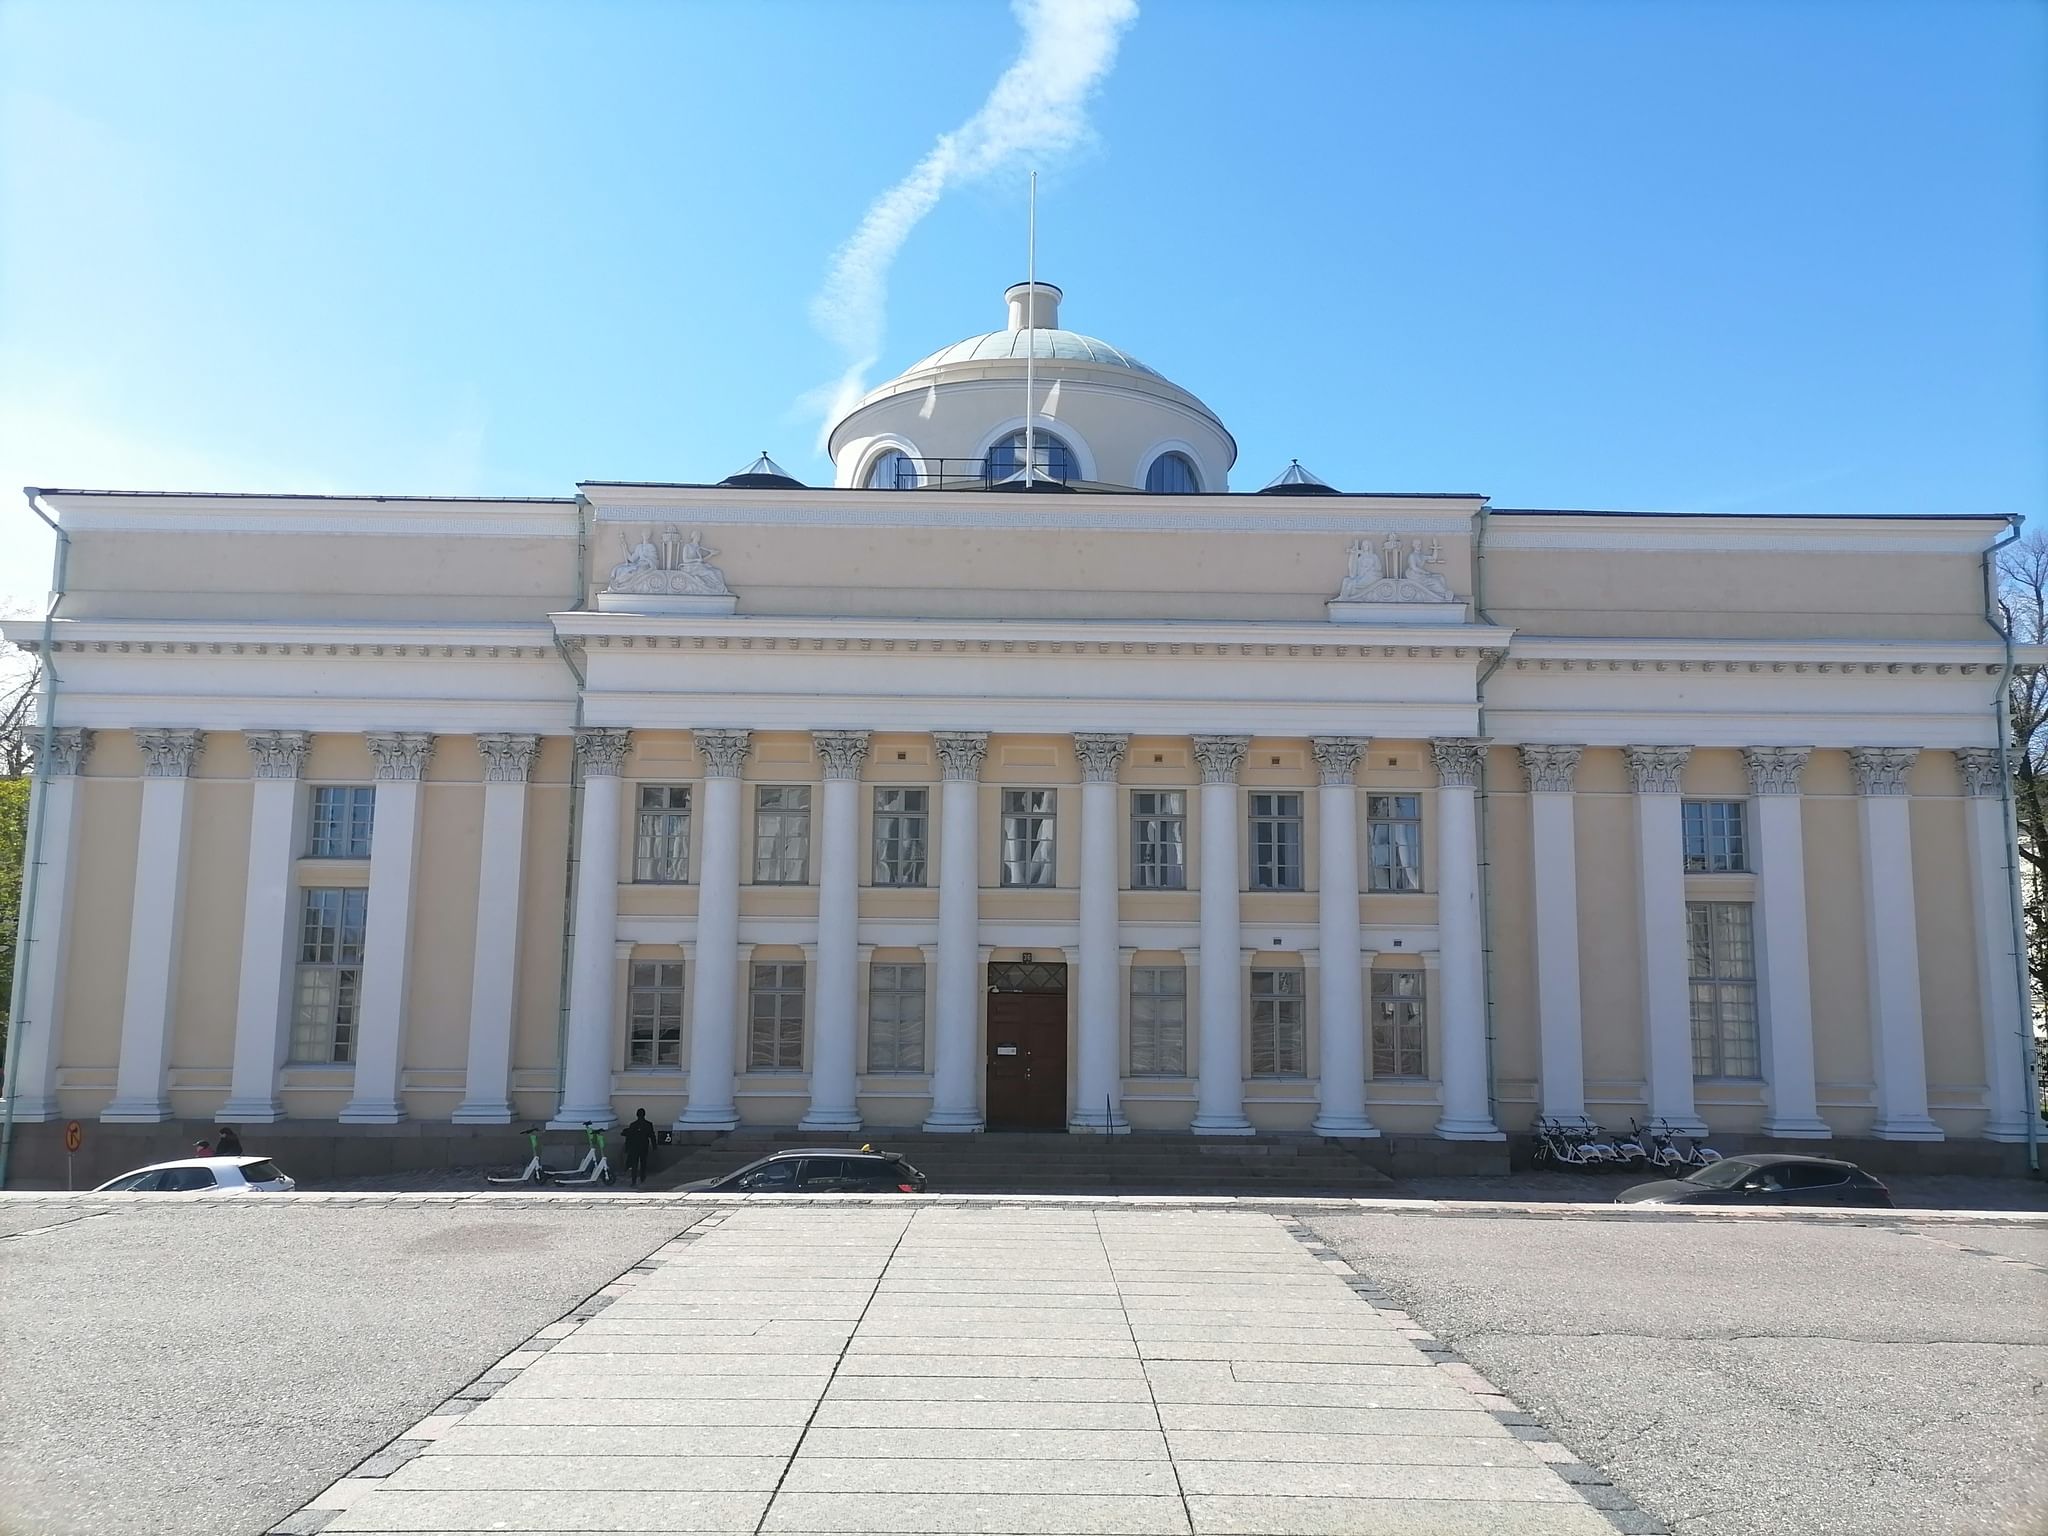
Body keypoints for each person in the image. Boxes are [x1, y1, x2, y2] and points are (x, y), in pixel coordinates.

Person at [621, 1108, 657, 1187]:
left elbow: (629, 1138)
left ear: (637, 1115)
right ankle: (642, 1179)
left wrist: (627, 1148)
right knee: (643, 1163)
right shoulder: (648, 1124)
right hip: (644, 1146)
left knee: (634, 1164)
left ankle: (634, 1181)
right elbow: (652, 1136)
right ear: (644, 1115)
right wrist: (654, 1146)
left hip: (635, 1147)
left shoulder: (633, 1125)